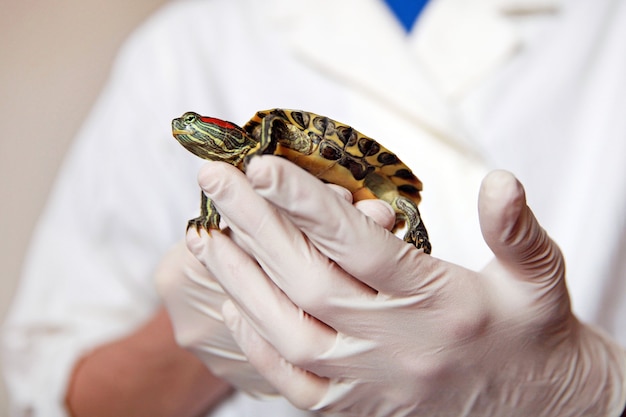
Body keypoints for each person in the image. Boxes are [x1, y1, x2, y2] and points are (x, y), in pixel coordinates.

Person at [2, 0, 626, 415]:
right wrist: (222, 318)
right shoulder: (193, 42)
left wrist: (590, 387)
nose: (194, 134)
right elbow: (52, 392)